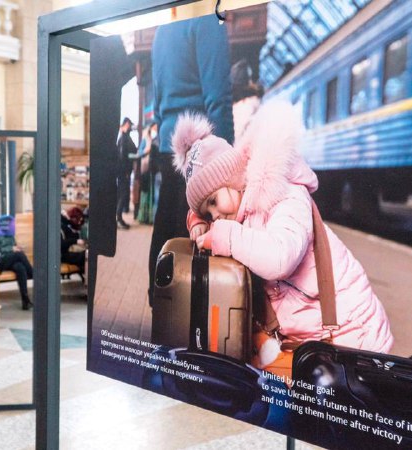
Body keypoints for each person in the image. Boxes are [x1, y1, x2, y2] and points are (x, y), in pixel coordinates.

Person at [171, 103, 394, 379]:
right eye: (209, 213)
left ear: (233, 178)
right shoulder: (241, 205)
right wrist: (199, 222)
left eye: (214, 204)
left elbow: (280, 258)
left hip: (353, 336)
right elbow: (203, 206)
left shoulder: (285, 196)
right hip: (317, 338)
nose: (216, 216)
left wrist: (225, 236)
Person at [148, 15, 235, 304]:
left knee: (166, 227)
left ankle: (160, 301)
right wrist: (227, 159)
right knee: (196, 232)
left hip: (168, 144)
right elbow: (218, 98)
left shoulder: (162, 29)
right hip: (199, 148)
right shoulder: (206, 21)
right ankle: (188, 313)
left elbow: (157, 99)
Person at [116, 117, 137, 230]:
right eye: (129, 125)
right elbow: (122, 157)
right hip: (123, 172)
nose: (130, 127)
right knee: (123, 195)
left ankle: (119, 218)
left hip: (125, 171)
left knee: (123, 194)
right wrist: (125, 172)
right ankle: (118, 218)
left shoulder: (125, 138)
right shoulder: (123, 139)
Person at [61, 207, 86, 276]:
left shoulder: (68, 224)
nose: (79, 222)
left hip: (68, 252)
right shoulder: (62, 226)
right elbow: (61, 243)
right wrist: (76, 241)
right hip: (64, 254)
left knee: (87, 254)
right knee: (86, 255)